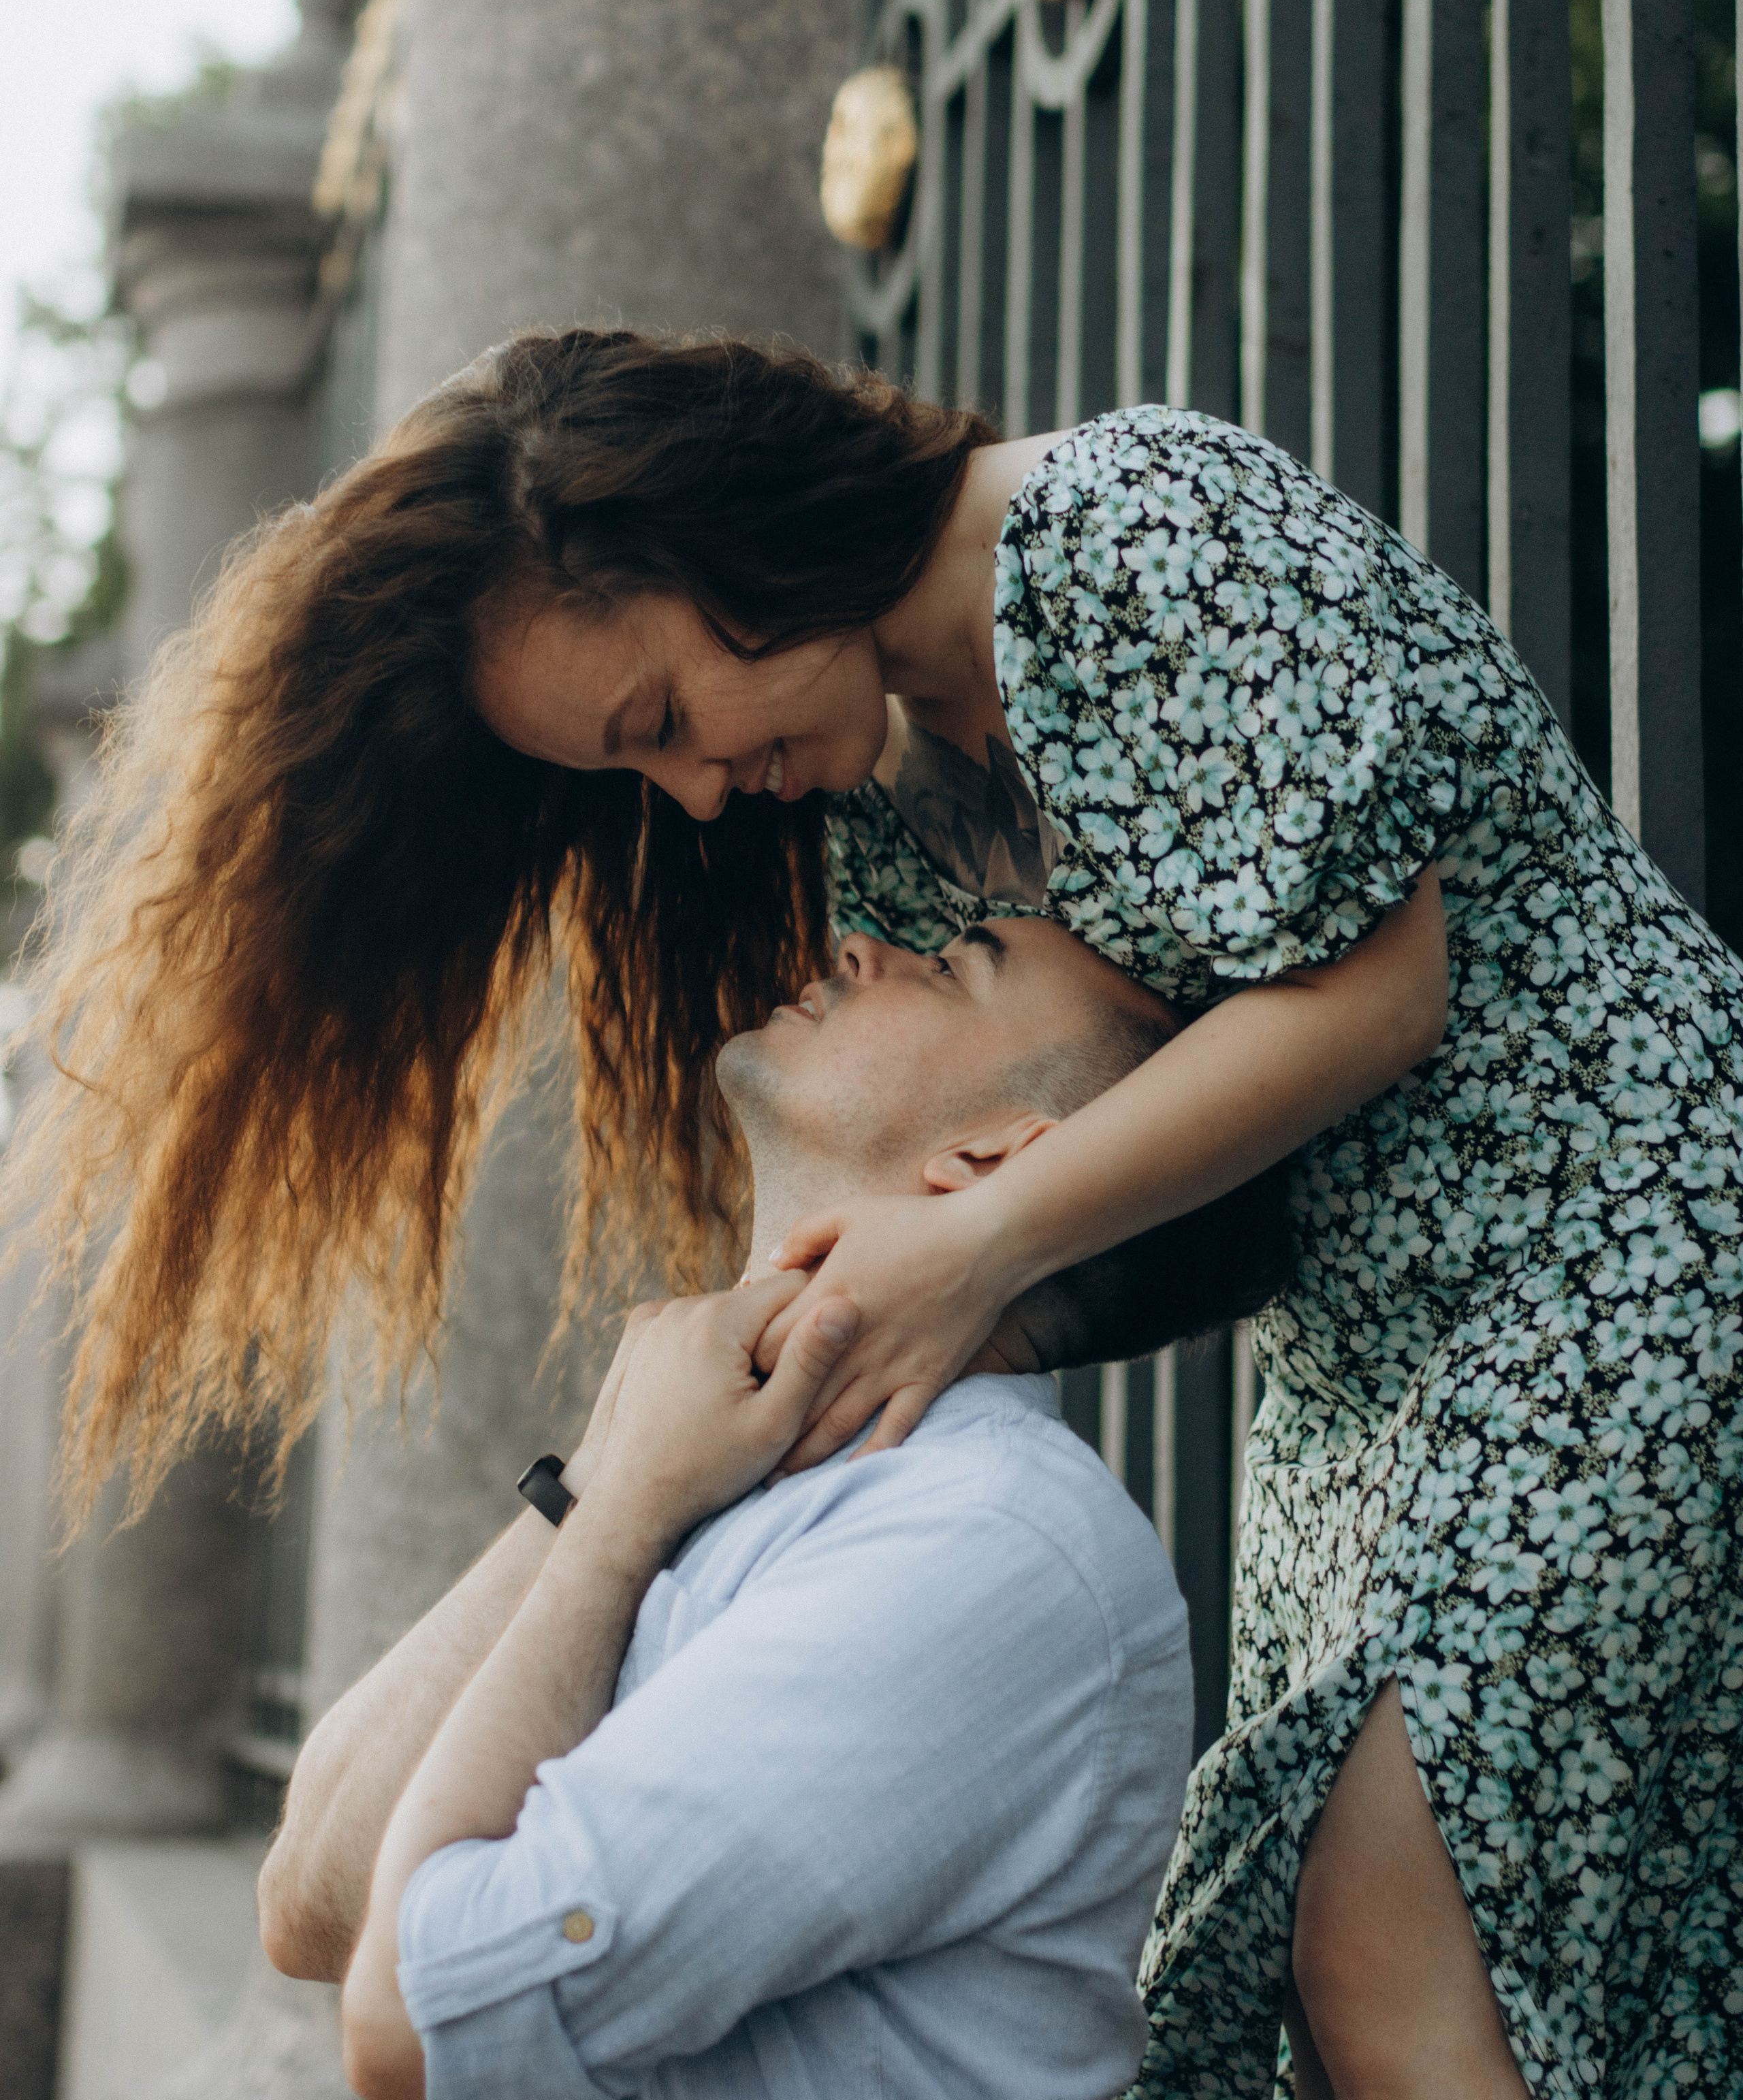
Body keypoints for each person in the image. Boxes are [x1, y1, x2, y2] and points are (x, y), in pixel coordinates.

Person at [11, 332, 1742, 2095]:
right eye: (634, 771)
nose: (690, 791)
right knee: (1328, 1940)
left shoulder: (1137, 523)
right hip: (1361, 1355)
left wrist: (976, 1247)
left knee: (1380, 1926)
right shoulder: (891, 813)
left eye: (666, 719)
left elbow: (1379, 998)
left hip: (1614, 1217)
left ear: (734, 537)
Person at [261, 913, 1288, 2099]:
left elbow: (422, 2030)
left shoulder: (989, 1546)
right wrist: (606, 1478)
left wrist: (619, 1521)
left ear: (1006, 1152)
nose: (862, 947)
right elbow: (314, 1903)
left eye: (954, 967)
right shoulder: (714, 1468)